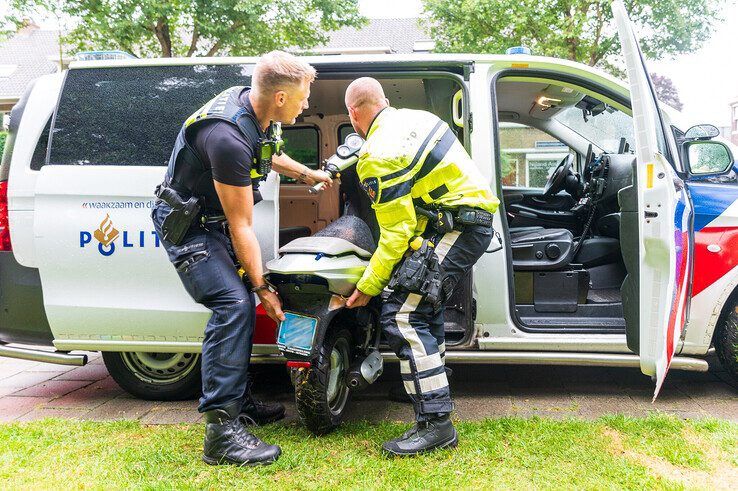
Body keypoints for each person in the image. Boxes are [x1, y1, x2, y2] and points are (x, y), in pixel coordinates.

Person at [152, 51, 331, 466]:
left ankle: (240, 401)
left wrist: (308, 174)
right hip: (191, 227)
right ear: (282, 97)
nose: (307, 105)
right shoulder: (226, 137)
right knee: (234, 304)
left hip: (211, 220)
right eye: (304, 97)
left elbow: (265, 153)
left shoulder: (252, 109)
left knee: (241, 303)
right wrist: (263, 287)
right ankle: (221, 432)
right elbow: (242, 226)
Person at [343, 77, 500, 456]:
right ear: (384, 100)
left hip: (458, 226)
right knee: (423, 305)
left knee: (402, 313)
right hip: (464, 221)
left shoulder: (377, 153)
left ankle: (436, 424)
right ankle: (430, 387)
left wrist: (367, 286)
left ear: (354, 115)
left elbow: (396, 233)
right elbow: (413, 214)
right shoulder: (417, 118)